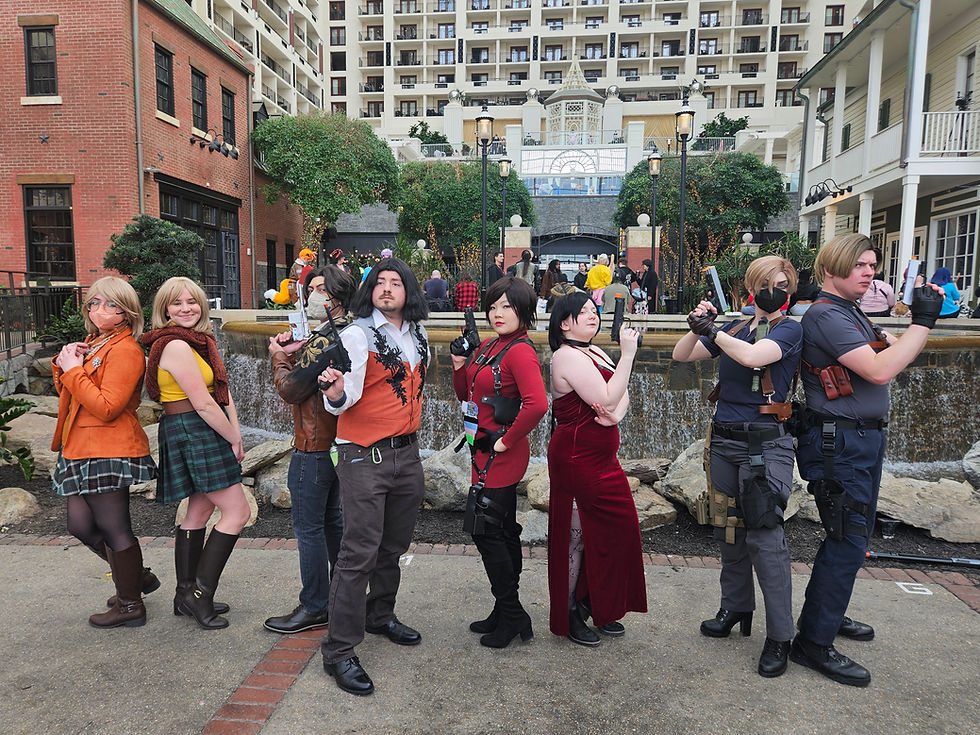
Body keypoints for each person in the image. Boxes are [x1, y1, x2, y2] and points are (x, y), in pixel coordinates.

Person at [791, 233, 944, 687]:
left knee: (851, 537)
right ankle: (812, 642)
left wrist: (912, 329)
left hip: (859, 441)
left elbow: (894, 354)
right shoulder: (825, 314)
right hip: (840, 444)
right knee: (847, 538)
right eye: (859, 264)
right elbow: (880, 370)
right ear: (831, 268)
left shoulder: (850, 311)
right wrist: (924, 322)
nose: (869, 272)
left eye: (872, 265)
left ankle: (825, 613)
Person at [672, 255, 802, 678]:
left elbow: (753, 357)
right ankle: (735, 607)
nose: (774, 290)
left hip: (764, 444)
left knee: (765, 537)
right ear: (751, 286)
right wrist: (698, 325)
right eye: (766, 283)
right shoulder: (735, 326)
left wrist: (715, 332)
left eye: (781, 284)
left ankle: (780, 636)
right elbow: (681, 355)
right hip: (724, 442)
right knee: (728, 530)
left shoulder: (789, 329)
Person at [317, 257, 430, 696]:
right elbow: (344, 398)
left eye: (395, 282)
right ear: (370, 290)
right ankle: (339, 650)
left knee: (393, 546)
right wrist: (335, 392)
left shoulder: (417, 334)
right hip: (364, 455)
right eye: (379, 282)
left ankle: (379, 614)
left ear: (408, 291)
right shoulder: (357, 334)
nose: (386, 288)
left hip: (407, 454)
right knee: (358, 552)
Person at [142, 277, 250, 630]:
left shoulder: (198, 341)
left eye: (192, 301)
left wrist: (236, 433)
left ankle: (184, 594)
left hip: (196, 427)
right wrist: (232, 438)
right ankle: (199, 596)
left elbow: (222, 393)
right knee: (238, 512)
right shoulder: (175, 345)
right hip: (194, 428)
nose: (186, 308)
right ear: (164, 310)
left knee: (200, 509)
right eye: (177, 303)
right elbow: (203, 402)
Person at [50, 276, 157, 628]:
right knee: (80, 525)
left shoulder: (126, 350)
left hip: (107, 448)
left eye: (111, 304)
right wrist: (64, 362)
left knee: (115, 529)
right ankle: (134, 577)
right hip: (81, 447)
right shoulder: (97, 343)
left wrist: (73, 371)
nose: (100, 309)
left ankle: (130, 605)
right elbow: (70, 393)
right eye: (94, 303)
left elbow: (107, 407)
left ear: (127, 313)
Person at [450, 277, 548, 648]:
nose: (497, 313)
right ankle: (504, 611)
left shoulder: (520, 351)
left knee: (486, 531)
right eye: (493, 306)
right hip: (482, 451)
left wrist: (506, 441)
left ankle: (512, 613)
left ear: (523, 310)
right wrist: (459, 364)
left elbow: (537, 404)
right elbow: (466, 394)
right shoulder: (492, 345)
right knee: (502, 531)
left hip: (500, 456)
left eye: (506, 306)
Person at [547, 292, 647, 647]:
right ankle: (571, 612)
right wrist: (629, 355)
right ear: (564, 323)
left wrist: (615, 417)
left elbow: (621, 395)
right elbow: (605, 396)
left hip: (603, 460)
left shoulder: (596, 352)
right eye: (584, 311)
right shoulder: (565, 356)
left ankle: (594, 602)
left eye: (595, 310)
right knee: (576, 537)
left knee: (618, 528)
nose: (593, 315)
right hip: (576, 459)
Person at [264, 266, 357, 634]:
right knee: (332, 521)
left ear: (335, 297)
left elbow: (290, 390)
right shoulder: (349, 330)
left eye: (321, 289)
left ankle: (315, 605)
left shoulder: (324, 340)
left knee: (309, 528)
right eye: (312, 288)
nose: (312, 296)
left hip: (313, 445)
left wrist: (278, 355)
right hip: (338, 444)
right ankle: (341, 598)